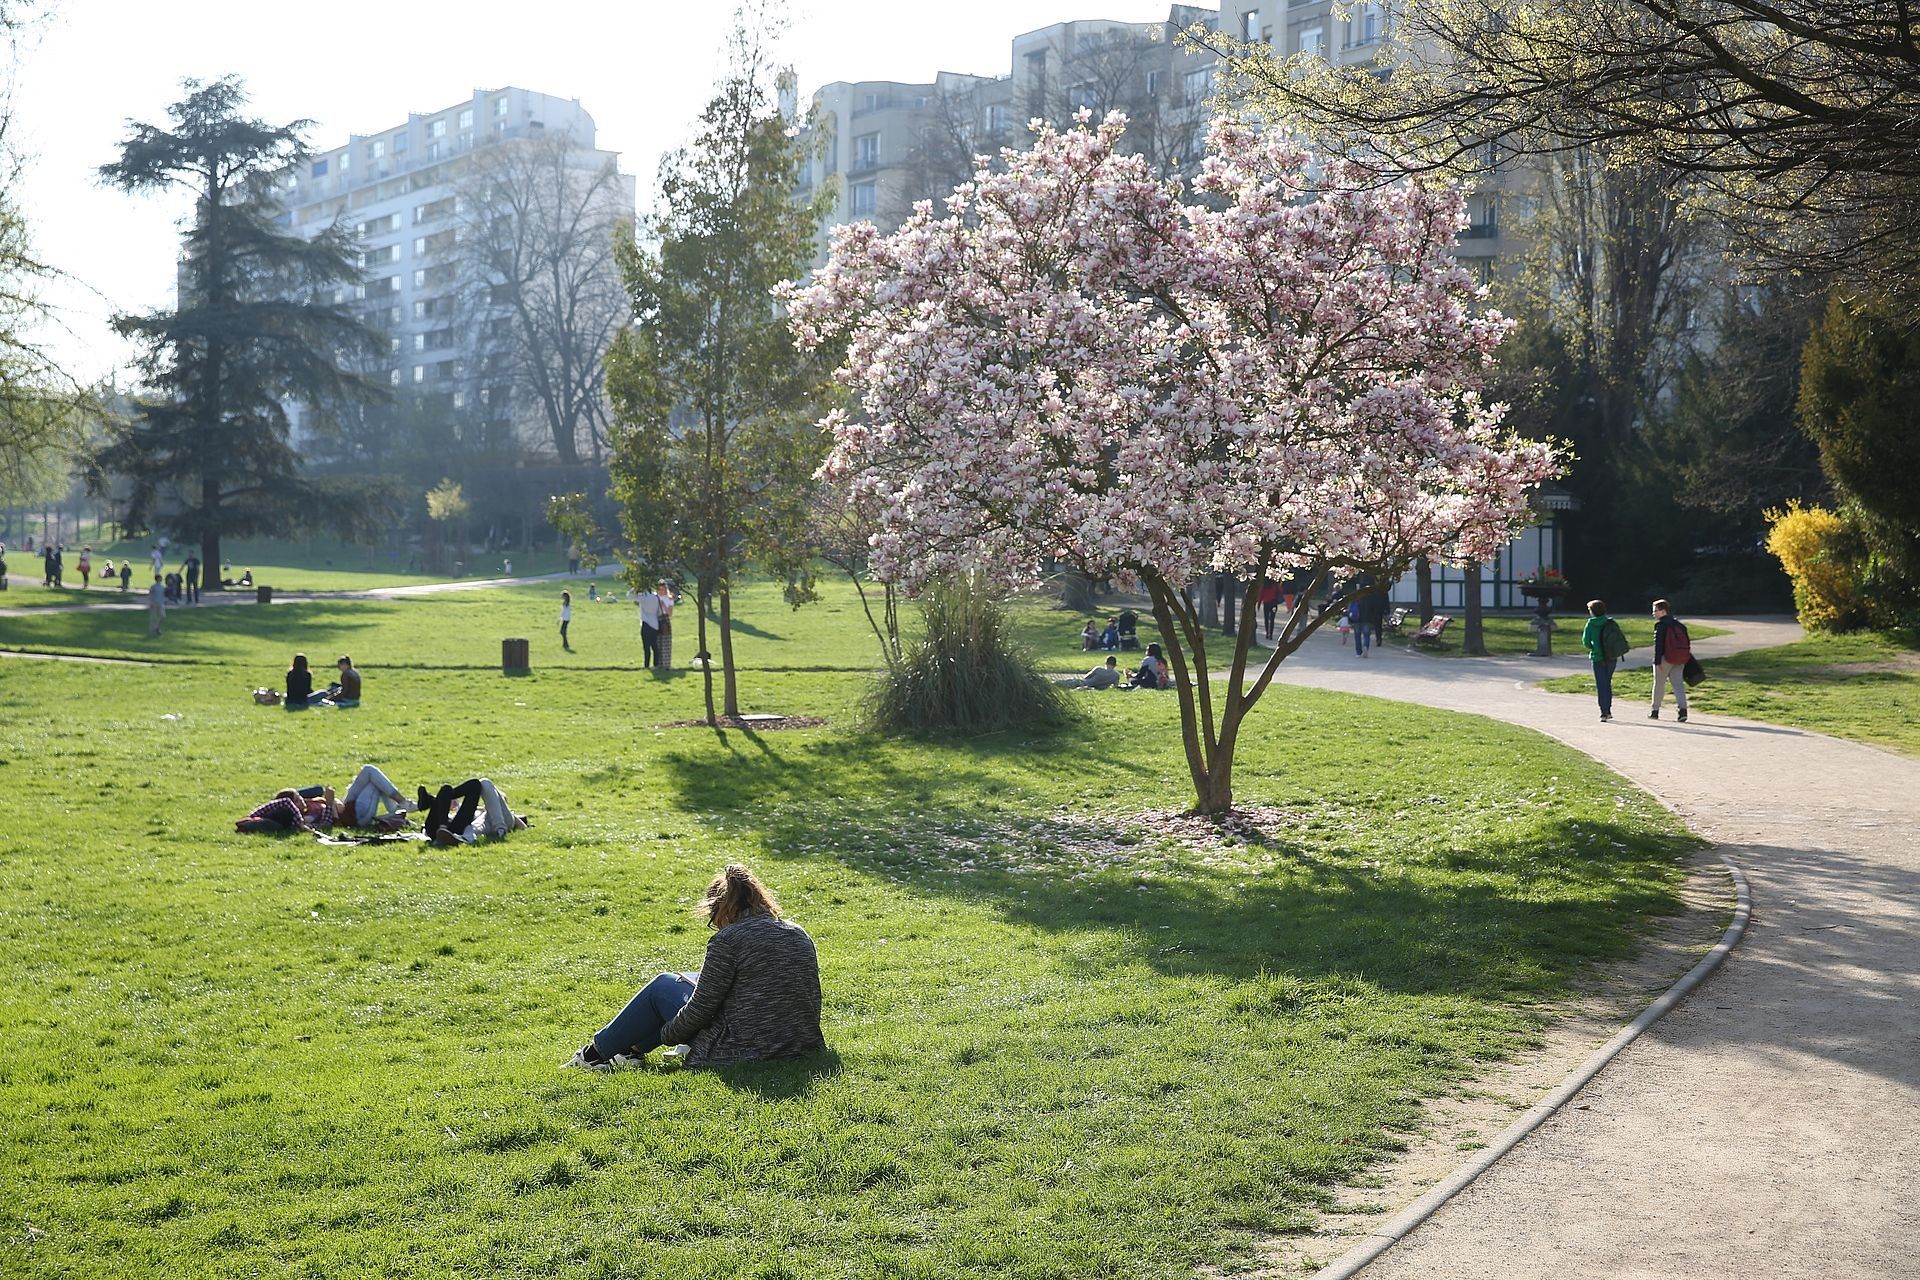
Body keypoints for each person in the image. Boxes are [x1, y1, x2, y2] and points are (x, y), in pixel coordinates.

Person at [566, 864, 825, 1071]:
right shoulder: (796, 932)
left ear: (720, 909)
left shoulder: (728, 940)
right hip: (801, 1042)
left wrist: (667, 1032)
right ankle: (630, 1051)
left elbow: (701, 1008)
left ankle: (592, 1055)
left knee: (664, 987)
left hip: (745, 1048)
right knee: (685, 984)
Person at [415, 777, 527, 846]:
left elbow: (520, 825)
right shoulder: (478, 811)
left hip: (459, 830)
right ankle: (431, 801)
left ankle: (432, 801)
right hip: (444, 825)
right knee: (454, 788)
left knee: (448, 791)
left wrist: (525, 827)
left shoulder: (502, 815)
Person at [1580, 599, 1631, 722]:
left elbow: (1586, 642)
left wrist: (1594, 647)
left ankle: (1603, 712)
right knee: (1607, 683)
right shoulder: (1611, 622)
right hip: (1611, 657)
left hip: (1597, 657)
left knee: (1601, 684)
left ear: (1592, 611)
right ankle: (1608, 710)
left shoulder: (1591, 624)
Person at [1650, 598, 1691, 722]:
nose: (1653, 613)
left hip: (1664, 659)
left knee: (1659, 684)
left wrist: (1657, 662)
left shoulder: (1660, 625)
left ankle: (1655, 711)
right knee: (1678, 685)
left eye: (1655, 611)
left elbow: (1659, 645)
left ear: (1663, 611)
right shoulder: (1679, 625)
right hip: (1679, 659)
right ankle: (1682, 710)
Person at [636, 580, 662, 668]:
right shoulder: (656, 597)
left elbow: (630, 595)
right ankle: (656, 664)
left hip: (646, 623)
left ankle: (646, 665)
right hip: (655, 624)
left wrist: (635, 588)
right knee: (655, 646)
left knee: (646, 647)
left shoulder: (643, 597)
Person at [655, 579, 675, 671]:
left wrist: (664, 606)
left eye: (663, 589)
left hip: (664, 619)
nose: (661, 591)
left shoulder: (669, 598)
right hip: (655, 619)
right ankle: (658, 664)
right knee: (657, 643)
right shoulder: (655, 597)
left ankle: (666, 665)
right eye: (659, 589)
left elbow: (670, 613)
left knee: (666, 643)